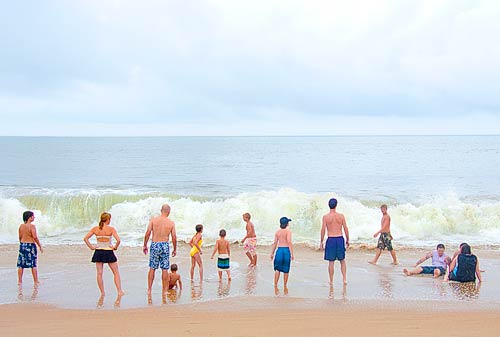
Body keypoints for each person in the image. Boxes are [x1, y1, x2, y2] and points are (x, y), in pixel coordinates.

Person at [83, 212, 124, 297]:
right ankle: (119, 291)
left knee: (99, 273)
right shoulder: (111, 229)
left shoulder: (95, 229)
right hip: (108, 251)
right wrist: (115, 247)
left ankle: (102, 292)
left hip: (98, 252)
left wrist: (91, 247)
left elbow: (86, 238)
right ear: (107, 219)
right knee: (116, 272)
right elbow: (118, 240)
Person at [143, 204, 177, 296]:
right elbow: (174, 237)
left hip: (155, 244)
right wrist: (174, 248)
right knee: (164, 269)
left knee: (152, 268)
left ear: (161, 210)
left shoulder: (153, 220)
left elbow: (147, 233)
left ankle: (149, 289)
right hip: (165, 245)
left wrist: (145, 245)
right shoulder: (171, 223)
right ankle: (165, 290)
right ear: (168, 212)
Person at [320, 198, 349, 285]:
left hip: (331, 239)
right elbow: (345, 228)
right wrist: (348, 239)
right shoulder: (341, 216)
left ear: (329, 205)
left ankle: (331, 281)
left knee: (331, 262)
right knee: (342, 260)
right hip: (340, 238)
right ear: (336, 205)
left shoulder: (326, 217)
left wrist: (321, 241)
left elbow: (323, 230)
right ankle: (344, 279)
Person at [17, 211, 43, 285]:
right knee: (33, 264)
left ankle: (19, 281)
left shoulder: (21, 226)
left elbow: (20, 236)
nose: (34, 217)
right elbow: (34, 237)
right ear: (29, 217)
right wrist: (39, 245)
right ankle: (36, 281)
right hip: (30, 246)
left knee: (21, 264)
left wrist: (22, 244)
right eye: (33, 216)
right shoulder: (32, 226)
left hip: (22, 245)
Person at [270, 217, 294, 294]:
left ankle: (275, 285)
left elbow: (275, 243)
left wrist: (272, 253)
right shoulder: (288, 232)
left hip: (279, 250)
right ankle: (285, 285)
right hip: (286, 250)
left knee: (277, 269)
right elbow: (289, 242)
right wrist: (292, 253)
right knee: (286, 270)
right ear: (287, 224)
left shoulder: (277, 232)